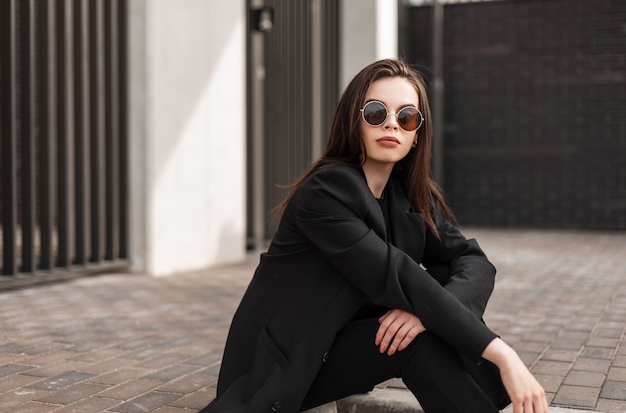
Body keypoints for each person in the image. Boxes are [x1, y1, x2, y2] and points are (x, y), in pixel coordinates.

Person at [199, 59, 548, 413]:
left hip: (336, 345)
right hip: (284, 364)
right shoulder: (326, 191)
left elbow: (472, 261)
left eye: (406, 116)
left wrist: (427, 313)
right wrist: (502, 354)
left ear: (416, 135)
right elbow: (396, 274)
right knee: (416, 339)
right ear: (355, 122)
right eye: (376, 112)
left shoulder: (411, 195)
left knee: (433, 305)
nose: (391, 124)